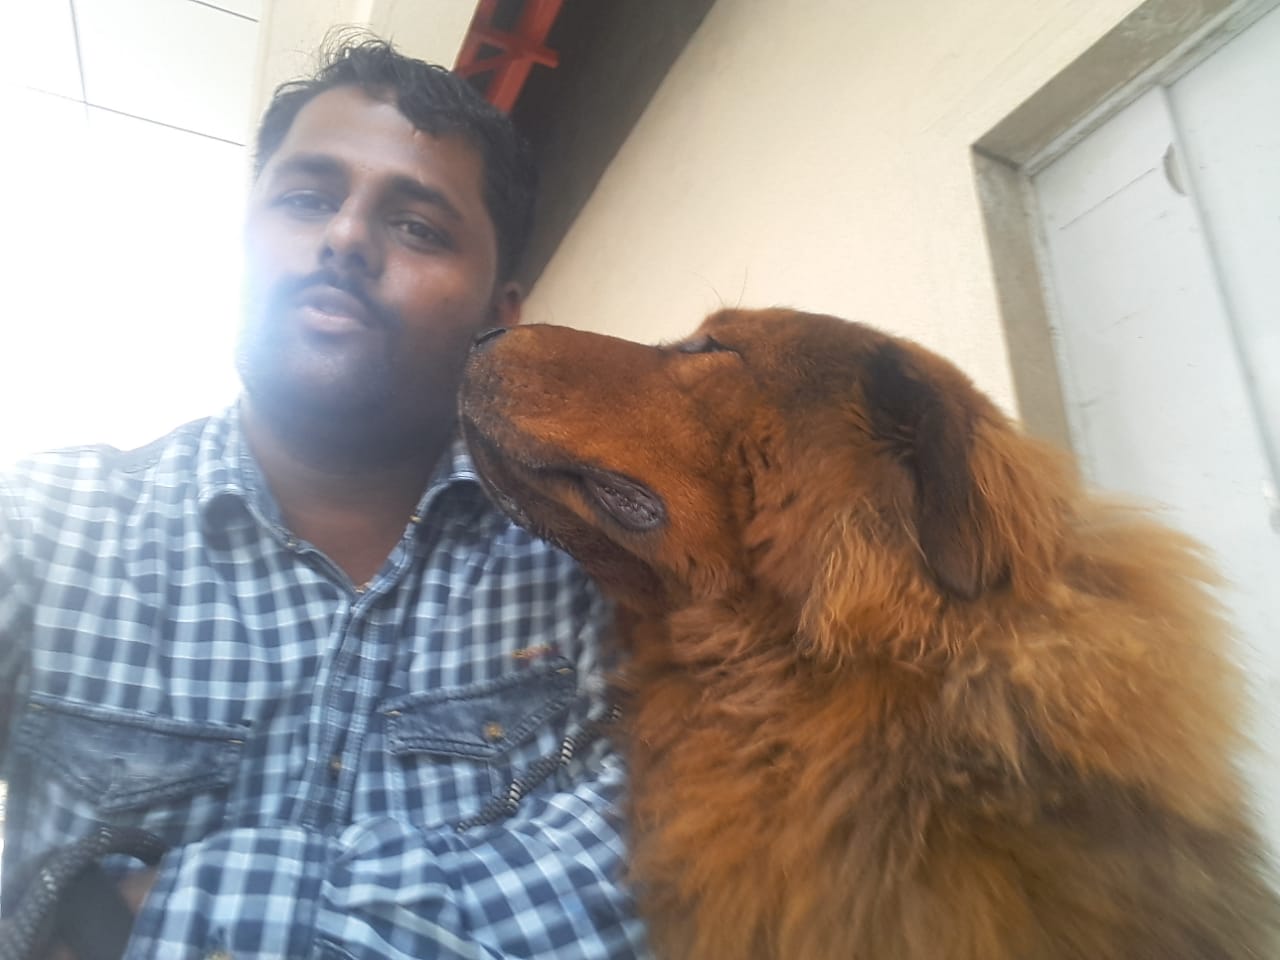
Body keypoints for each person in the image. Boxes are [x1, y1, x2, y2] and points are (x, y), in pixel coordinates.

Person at [0, 38, 649, 959]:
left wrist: (139, 920)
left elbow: (645, 887)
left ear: (501, 316)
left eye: (418, 226)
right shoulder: (44, 527)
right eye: (306, 199)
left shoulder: (592, 569)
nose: (344, 237)